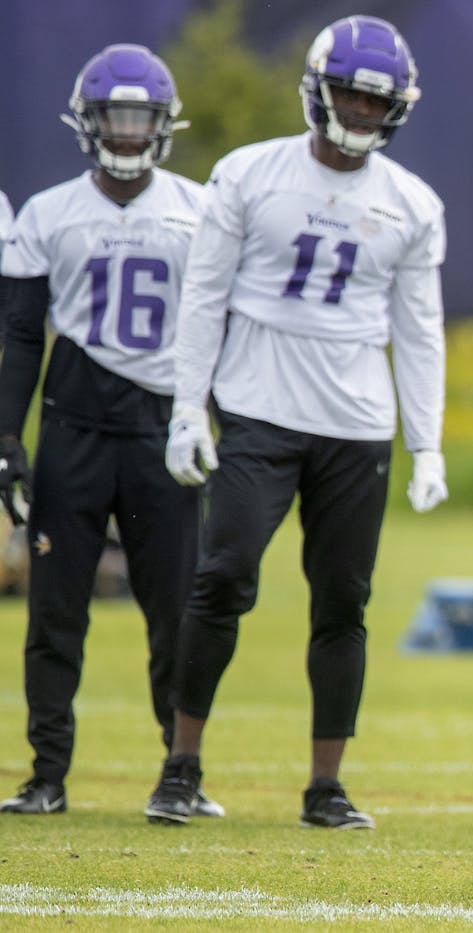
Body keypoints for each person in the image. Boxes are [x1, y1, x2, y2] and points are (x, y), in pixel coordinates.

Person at [142, 14, 448, 830]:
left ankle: (325, 784)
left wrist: (427, 442)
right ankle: (180, 764)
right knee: (222, 577)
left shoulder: (413, 203)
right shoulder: (248, 173)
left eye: (374, 101)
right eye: (347, 92)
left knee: (343, 600)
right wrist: (187, 406)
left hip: (354, 423)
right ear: (317, 89)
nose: (358, 111)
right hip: (258, 408)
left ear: (398, 109)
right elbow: (204, 295)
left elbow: (419, 328)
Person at [0, 44, 223, 818]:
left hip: (164, 426)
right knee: (55, 609)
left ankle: (180, 771)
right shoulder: (48, 213)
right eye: (115, 118)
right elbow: (24, 334)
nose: (127, 134)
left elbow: (221, 325)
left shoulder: (200, 208)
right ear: (87, 122)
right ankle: (46, 772)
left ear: (162, 126)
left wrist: (216, 418)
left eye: (140, 119)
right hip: (75, 424)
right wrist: (6, 433)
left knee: (175, 611)